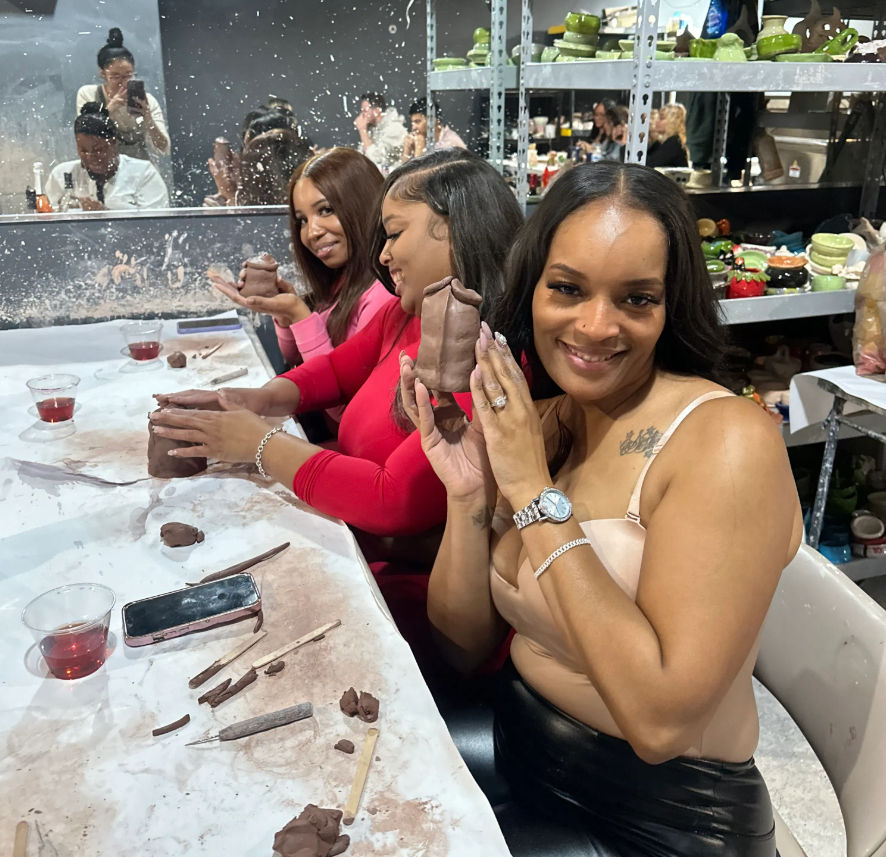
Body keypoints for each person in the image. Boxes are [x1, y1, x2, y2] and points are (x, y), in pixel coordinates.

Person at [398, 162, 802, 855]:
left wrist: (530, 492)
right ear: (533, 290)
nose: (594, 325)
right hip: (523, 752)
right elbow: (462, 647)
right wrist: (469, 499)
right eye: (568, 289)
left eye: (636, 299)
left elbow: (659, 722)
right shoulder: (549, 422)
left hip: (658, 818)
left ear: (670, 305)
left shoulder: (727, 443)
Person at [152, 149, 522, 551]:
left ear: (460, 230)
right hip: (347, 530)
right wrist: (251, 399)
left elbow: (392, 501)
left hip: (396, 576)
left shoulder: (487, 364)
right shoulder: (404, 315)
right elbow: (333, 371)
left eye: (395, 234)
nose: (383, 254)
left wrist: (259, 444)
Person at [210, 147, 395, 427]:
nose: (312, 232)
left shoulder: (382, 297)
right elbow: (294, 357)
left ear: (364, 205)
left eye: (326, 210)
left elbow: (344, 413)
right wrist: (286, 317)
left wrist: (301, 316)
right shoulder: (341, 280)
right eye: (302, 220)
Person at [45, 103, 169, 211]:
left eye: (98, 150)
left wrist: (105, 216)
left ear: (113, 143)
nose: (90, 157)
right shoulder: (62, 175)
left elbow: (156, 226)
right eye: (83, 150)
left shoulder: (143, 174)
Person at [75, 28, 170, 161]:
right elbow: (86, 136)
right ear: (102, 74)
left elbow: (163, 148)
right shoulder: (89, 94)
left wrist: (148, 117)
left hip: (141, 169)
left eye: (128, 75)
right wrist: (110, 108)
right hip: (104, 166)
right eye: (115, 76)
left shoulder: (147, 100)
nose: (122, 82)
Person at [353, 91, 407, 172]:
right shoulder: (373, 130)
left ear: (377, 111)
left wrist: (362, 131)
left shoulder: (395, 129)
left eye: (365, 111)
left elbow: (377, 161)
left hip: (392, 180)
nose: (362, 115)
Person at [401, 98, 466, 162]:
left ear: (432, 120)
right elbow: (403, 172)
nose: (413, 128)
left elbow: (422, 171)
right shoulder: (420, 138)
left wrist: (419, 147)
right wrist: (407, 151)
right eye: (412, 123)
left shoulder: (451, 143)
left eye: (417, 122)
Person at [647, 103, 689, 168]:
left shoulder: (674, 142)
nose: (656, 121)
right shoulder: (663, 141)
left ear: (673, 121)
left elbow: (649, 165)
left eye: (661, 118)